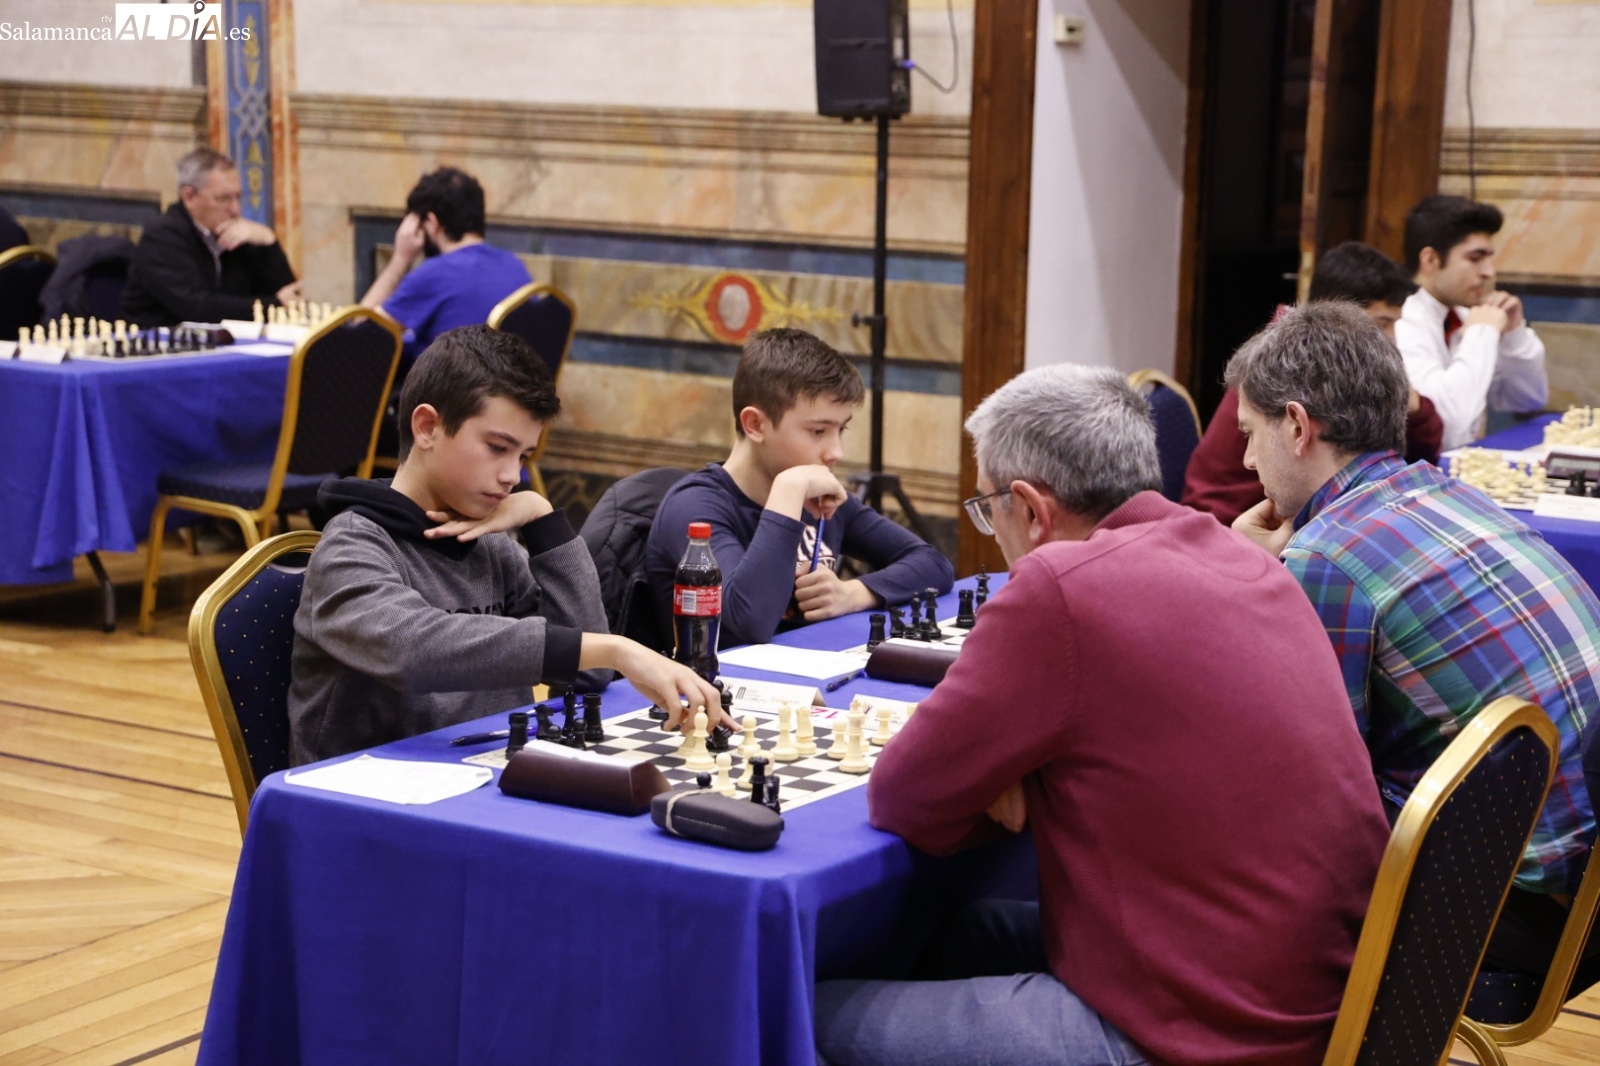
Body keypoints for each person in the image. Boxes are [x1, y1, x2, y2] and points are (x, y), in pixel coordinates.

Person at [814, 364, 1390, 1066]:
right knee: (958, 931)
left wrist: (1018, 778)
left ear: (1029, 508)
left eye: (987, 509)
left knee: (794, 1015)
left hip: (1201, 1034)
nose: (992, 530)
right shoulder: (1240, 554)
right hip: (1321, 1000)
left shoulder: (1060, 586)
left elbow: (904, 797)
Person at [1230, 302, 1600, 981]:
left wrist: (1238, 577)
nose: (1249, 459)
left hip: (1510, 913)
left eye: (1250, 433)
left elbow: (1310, 785)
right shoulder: (1448, 492)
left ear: (1297, 426)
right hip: (1583, 889)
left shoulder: (1328, 556)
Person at [288, 325, 724, 766]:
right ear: (426, 427)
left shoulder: (489, 544)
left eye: (523, 457)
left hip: (488, 778)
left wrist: (544, 523)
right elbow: (412, 650)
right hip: (367, 800)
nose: (512, 476)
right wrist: (615, 648)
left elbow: (589, 676)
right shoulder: (351, 544)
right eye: (497, 447)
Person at [645, 328, 954, 648]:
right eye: (818, 430)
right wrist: (788, 492)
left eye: (841, 429)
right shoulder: (695, 507)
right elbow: (748, 623)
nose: (836, 452)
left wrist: (853, 593)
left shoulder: (821, 497)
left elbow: (933, 564)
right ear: (755, 425)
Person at [1183, 241, 1443, 525]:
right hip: (1236, 528)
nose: (1391, 338)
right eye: (1381, 324)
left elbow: (1411, 454)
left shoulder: (1343, 364)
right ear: (1337, 315)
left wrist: (1414, 406)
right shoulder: (1285, 369)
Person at [1395, 194, 1546, 450]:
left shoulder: (1464, 315)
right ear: (1430, 260)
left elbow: (1527, 399)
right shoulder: (1401, 321)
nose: (1489, 271)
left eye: (1489, 258)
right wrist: (1482, 332)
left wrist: (1513, 335)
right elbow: (1448, 427)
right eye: (1475, 258)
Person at [359, 167, 532, 363]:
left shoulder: (436, 273)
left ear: (431, 222)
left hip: (450, 390)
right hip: (507, 389)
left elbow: (359, 332)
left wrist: (400, 259)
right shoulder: (515, 266)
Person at [121, 148, 303, 327]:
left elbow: (292, 298)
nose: (236, 209)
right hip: (162, 347)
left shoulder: (239, 233)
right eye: (223, 199)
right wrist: (274, 305)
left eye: (238, 197)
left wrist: (268, 241)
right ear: (189, 196)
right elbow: (197, 308)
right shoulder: (162, 236)